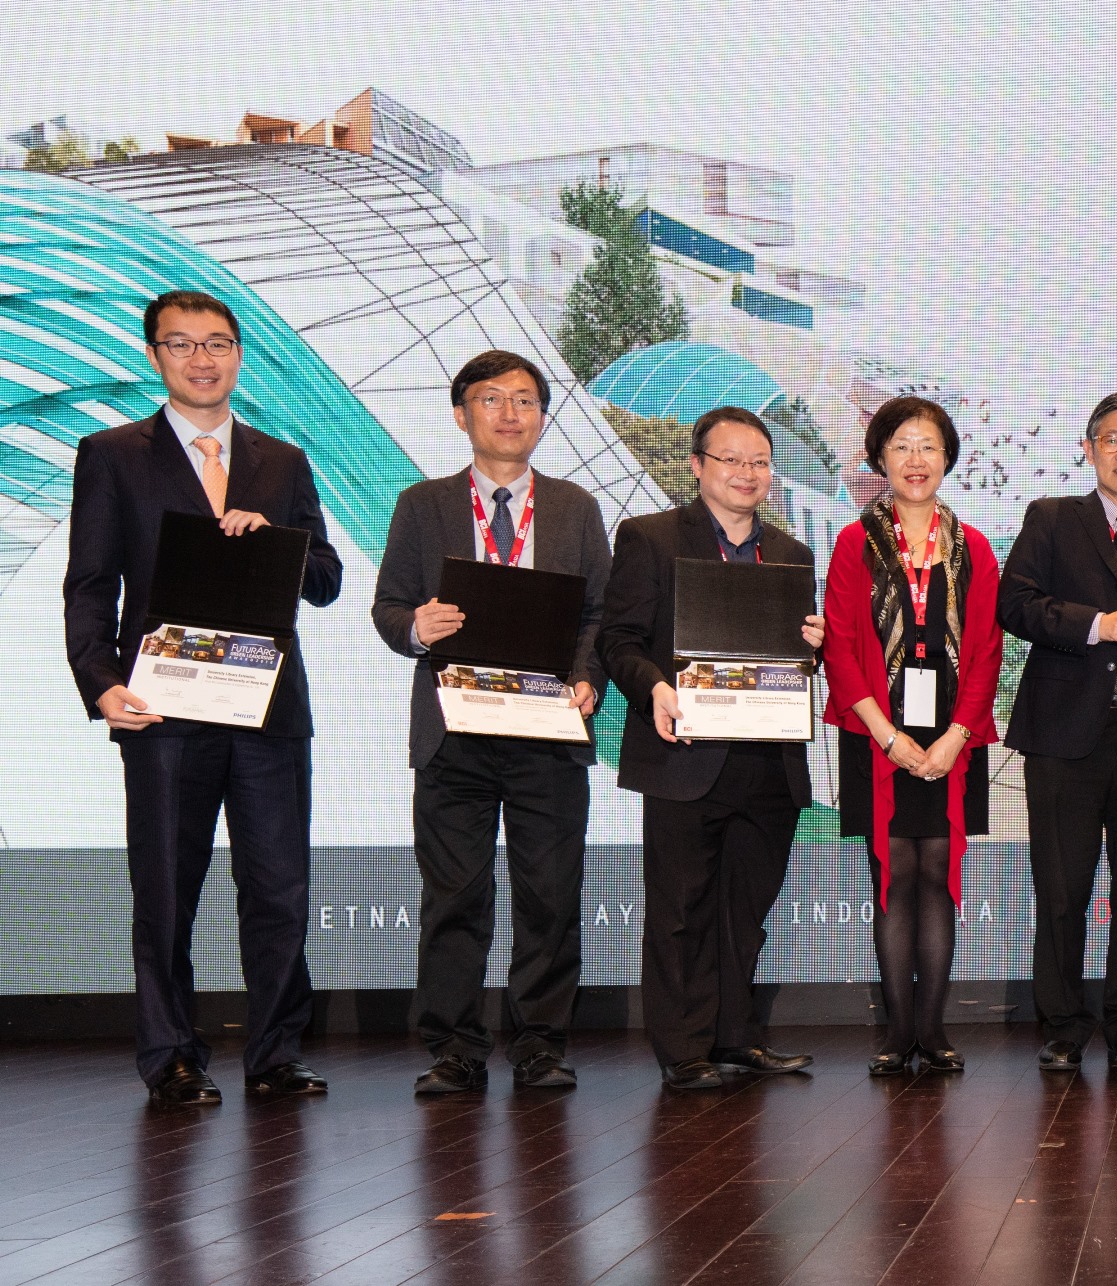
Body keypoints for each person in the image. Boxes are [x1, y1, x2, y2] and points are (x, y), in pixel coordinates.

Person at [63, 289, 343, 1105]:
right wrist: (101, 684)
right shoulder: (112, 454)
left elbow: (325, 580)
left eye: (217, 343)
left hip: (266, 709)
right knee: (164, 887)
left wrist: (277, 544)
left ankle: (277, 1052)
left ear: (238, 353)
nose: (201, 358)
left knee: (278, 887)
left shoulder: (282, 461)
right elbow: (90, 585)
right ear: (155, 357)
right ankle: (171, 1054)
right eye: (181, 345)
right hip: (161, 709)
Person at [371, 350, 611, 1095]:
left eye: (525, 401)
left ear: (542, 417)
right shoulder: (422, 503)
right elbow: (387, 607)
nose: (509, 413)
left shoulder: (575, 506)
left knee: (549, 894)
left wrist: (586, 677)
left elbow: (600, 614)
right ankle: (454, 1047)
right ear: (460, 413)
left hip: (547, 729)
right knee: (455, 896)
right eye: (491, 399)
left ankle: (540, 1042)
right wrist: (417, 625)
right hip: (455, 730)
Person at [599, 406, 826, 1090]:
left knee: (743, 915)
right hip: (683, 756)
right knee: (679, 912)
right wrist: (655, 690)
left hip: (767, 763)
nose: (746, 474)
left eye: (758, 462)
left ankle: (734, 1039)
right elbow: (619, 642)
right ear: (696, 466)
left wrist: (811, 653)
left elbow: (789, 663)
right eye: (730, 460)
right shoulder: (650, 538)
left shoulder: (790, 554)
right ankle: (683, 1051)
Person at [998, 393, 1117, 1072]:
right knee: (1061, 889)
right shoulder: (1052, 519)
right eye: (1111, 439)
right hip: (1063, 739)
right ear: (1088, 448)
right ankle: (1060, 1026)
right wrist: (1098, 622)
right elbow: (1014, 605)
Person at [822, 396, 1001, 1076]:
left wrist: (956, 736)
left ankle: (934, 1032)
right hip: (877, 730)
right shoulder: (853, 543)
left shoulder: (973, 546)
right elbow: (839, 645)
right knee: (893, 879)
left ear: (947, 458)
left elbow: (985, 649)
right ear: (879, 458)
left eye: (928, 446)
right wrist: (886, 735)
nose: (915, 460)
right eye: (901, 446)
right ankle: (898, 1036)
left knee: (938, 876)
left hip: (952, 733)